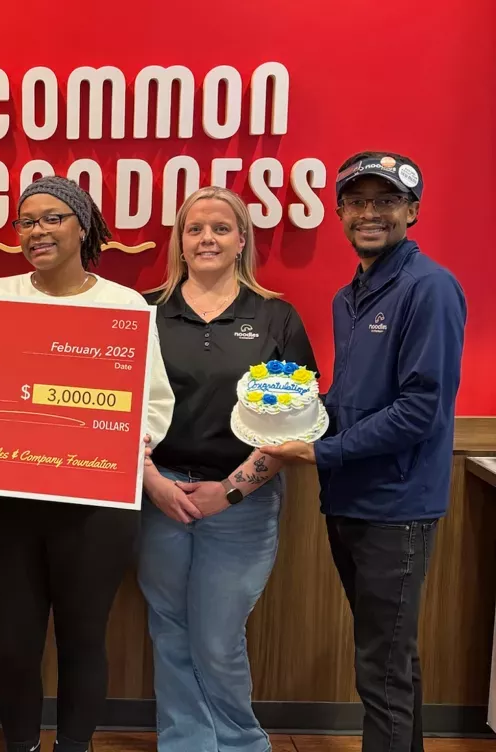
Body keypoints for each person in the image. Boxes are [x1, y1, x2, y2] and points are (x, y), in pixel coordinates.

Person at [262, 152, 467, 752]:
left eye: (386, 201)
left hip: (396, 507)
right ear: (340, 212)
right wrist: (293, 411)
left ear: (413, 211)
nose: (370, 213)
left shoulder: (428, 288)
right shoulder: (347, 296)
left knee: (382, 670)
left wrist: (322, 451)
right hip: (350, 500)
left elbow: (420, 410)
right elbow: (351, 398)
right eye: (357, 201)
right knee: (390, 661)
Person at [0, 175, 175, 752]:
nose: (38, 231)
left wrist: (118, 446)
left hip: (96, 508)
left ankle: (73, 747)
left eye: (52, 218)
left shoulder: (122, 304)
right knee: (13, 643)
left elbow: (154, 403)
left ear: (81, 226)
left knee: (83, 638)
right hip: (15, 503)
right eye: (26, 221)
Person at [135, 186, 317, 752]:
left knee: (216, 636)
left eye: (220, 228)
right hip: (158, 497)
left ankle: (240, 744)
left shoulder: (274, 316)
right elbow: (115, 406)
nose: (206, 238)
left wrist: (232, 491)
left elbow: (295, 420)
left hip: (242, 503)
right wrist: (154, 484)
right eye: (195, 229)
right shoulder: (145, 312)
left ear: (242, 240)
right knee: (170, 629)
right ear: (180, 243)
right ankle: (185, 742)